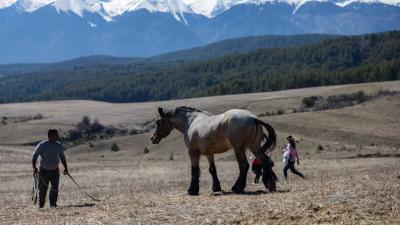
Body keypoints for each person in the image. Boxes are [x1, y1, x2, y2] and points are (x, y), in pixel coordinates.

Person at [32, 129, 68, 208]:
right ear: (49, 136)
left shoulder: (58, 145)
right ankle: (41, 206)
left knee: (54, 189)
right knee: (42, 190)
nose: (57, 137)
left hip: (55, 171)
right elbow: (34, 157)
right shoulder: (42, 145)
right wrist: (34, 168)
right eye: (56, 135)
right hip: (43, 171)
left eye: (57, 135)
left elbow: (62, 157)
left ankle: (53, 205)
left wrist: (66, 168)